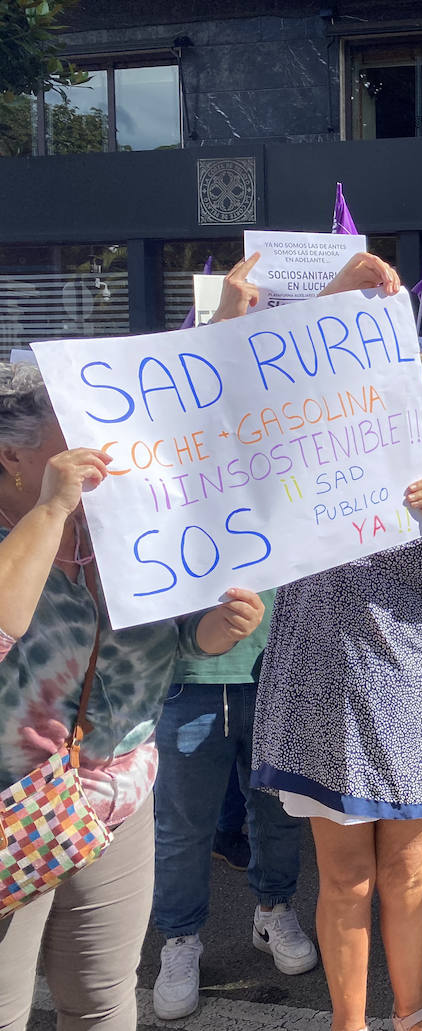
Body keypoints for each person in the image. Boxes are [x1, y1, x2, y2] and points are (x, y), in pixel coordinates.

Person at [250, 256, 422, 1031]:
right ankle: (350, 1022)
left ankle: (412, 1011)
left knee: (410, 871)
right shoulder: (308, 464)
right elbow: (277, 381)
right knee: (347, 880)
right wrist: (339, 290)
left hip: (416, 706)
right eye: (409, 399)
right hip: (325, 700)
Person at [0, 361, 264, 1029]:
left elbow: (168, 646)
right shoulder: (42, 521)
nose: (103, 450)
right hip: (9, 812)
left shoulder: (122, 527)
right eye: (77, 434)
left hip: (115, 799)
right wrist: (52, 509)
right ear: (12, 454)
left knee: (101, 998)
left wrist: (210, 632)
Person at [151, 587, 318, 1021]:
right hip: (188, 677)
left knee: (278, 812)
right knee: (182, 826)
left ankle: (274, 910)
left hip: (277, 666)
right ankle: (180, 940)